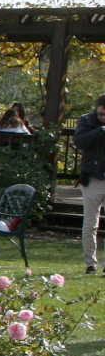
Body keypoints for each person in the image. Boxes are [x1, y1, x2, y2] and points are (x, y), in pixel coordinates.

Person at [77, 94, 105, 274]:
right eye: (101, 114)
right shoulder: (87, 121)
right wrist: (100, 130)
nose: (104, 117)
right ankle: (90, 264)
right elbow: (79, 142)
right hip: (93, 178)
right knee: (90, 224)